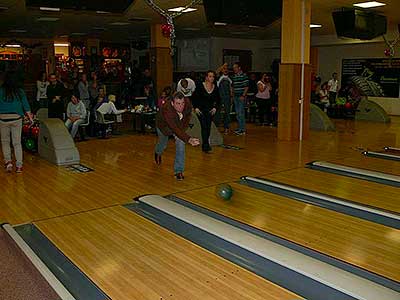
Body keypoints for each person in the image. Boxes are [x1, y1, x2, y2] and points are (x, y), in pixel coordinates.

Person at [154, 92, 200, 180]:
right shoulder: (167, 110)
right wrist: (189, 139)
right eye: (178, 104)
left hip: (178, 126)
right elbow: (174, 128)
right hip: (163, 126)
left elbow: (187, 118)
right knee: (163, 143)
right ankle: (158, 152)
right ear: (172, 103)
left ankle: (178, 171)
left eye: (182, 103)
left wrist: (182, 134)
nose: (181, 106)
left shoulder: (187, 105)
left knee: (181, 143)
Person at [0, 71, 33, 173]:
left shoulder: (1, 90)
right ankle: (19, 166)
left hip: (3, 118)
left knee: (5, 142)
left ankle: (8, 163)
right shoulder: (20, 91)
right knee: (17, 143)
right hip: (16, 118)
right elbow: (26, 106)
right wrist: (30, 118)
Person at [192, 71, 220, 153]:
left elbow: (218, 99)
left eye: (213, 77)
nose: (212, 78)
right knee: (204, 126)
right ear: (206, 77)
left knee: (208, 127)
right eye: (210, 76)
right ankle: (205, 145)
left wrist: (215, 108)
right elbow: (194, 97)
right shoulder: (200, 86)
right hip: (201, 110)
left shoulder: (215, 87)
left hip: (210, 110)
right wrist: (196, 107)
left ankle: (206, 144)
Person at [231, 62, 249, 135]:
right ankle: (239, 128)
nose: (234, 69)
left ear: (239, 68)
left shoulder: (244, 76)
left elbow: (246, 87)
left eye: (235, 67)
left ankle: (242, 129)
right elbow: (232, 86)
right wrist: (232, 94)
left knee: (241, 113)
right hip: (235, 96)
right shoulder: (234, 76)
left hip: (241, 96)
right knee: (237, 113)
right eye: (233, 68)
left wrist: (243, 95)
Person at [217, 64, 232, 134]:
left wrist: (231, 97)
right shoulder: (218, 77)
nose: (226, 70)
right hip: (219, 97)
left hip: (227, 98)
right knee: (218, 113)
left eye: (227, 69)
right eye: (224, 69)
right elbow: (215, 72)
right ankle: (217, 128)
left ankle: (226, 128)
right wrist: (222, 66)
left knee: (227, 113)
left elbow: (231, 89)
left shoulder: (230, 78)